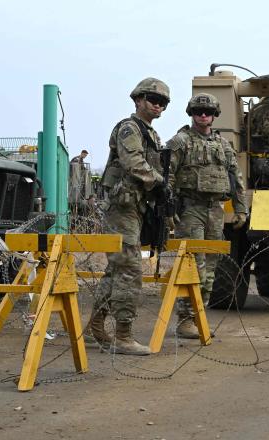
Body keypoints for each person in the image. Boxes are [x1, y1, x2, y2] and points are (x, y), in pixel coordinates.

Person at [89, 78, 171, 355]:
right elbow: (133, 163)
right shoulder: (130, 128)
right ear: (138, 100)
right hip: (123, 207)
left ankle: (98, 325)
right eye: (151, 98)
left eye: (162, 102)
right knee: (130, 269)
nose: (157, 104)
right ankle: (123, 335)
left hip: (135, 206)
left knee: (117, 269)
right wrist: (159, 181)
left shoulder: (151, 134)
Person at [166, 93, 247, 339]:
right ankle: (186, 319)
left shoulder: (223, 145)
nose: (203, 115)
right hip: (190, 210)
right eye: (198, 112)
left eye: (208, 112)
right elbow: (167, 177)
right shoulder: (180, 142)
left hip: (215, 210)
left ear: (214, 115)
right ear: (191, 114)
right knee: (194, 265)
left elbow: (236, 178)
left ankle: (199, 315)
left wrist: (241, 207)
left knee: (211, 267)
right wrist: (169, 211)